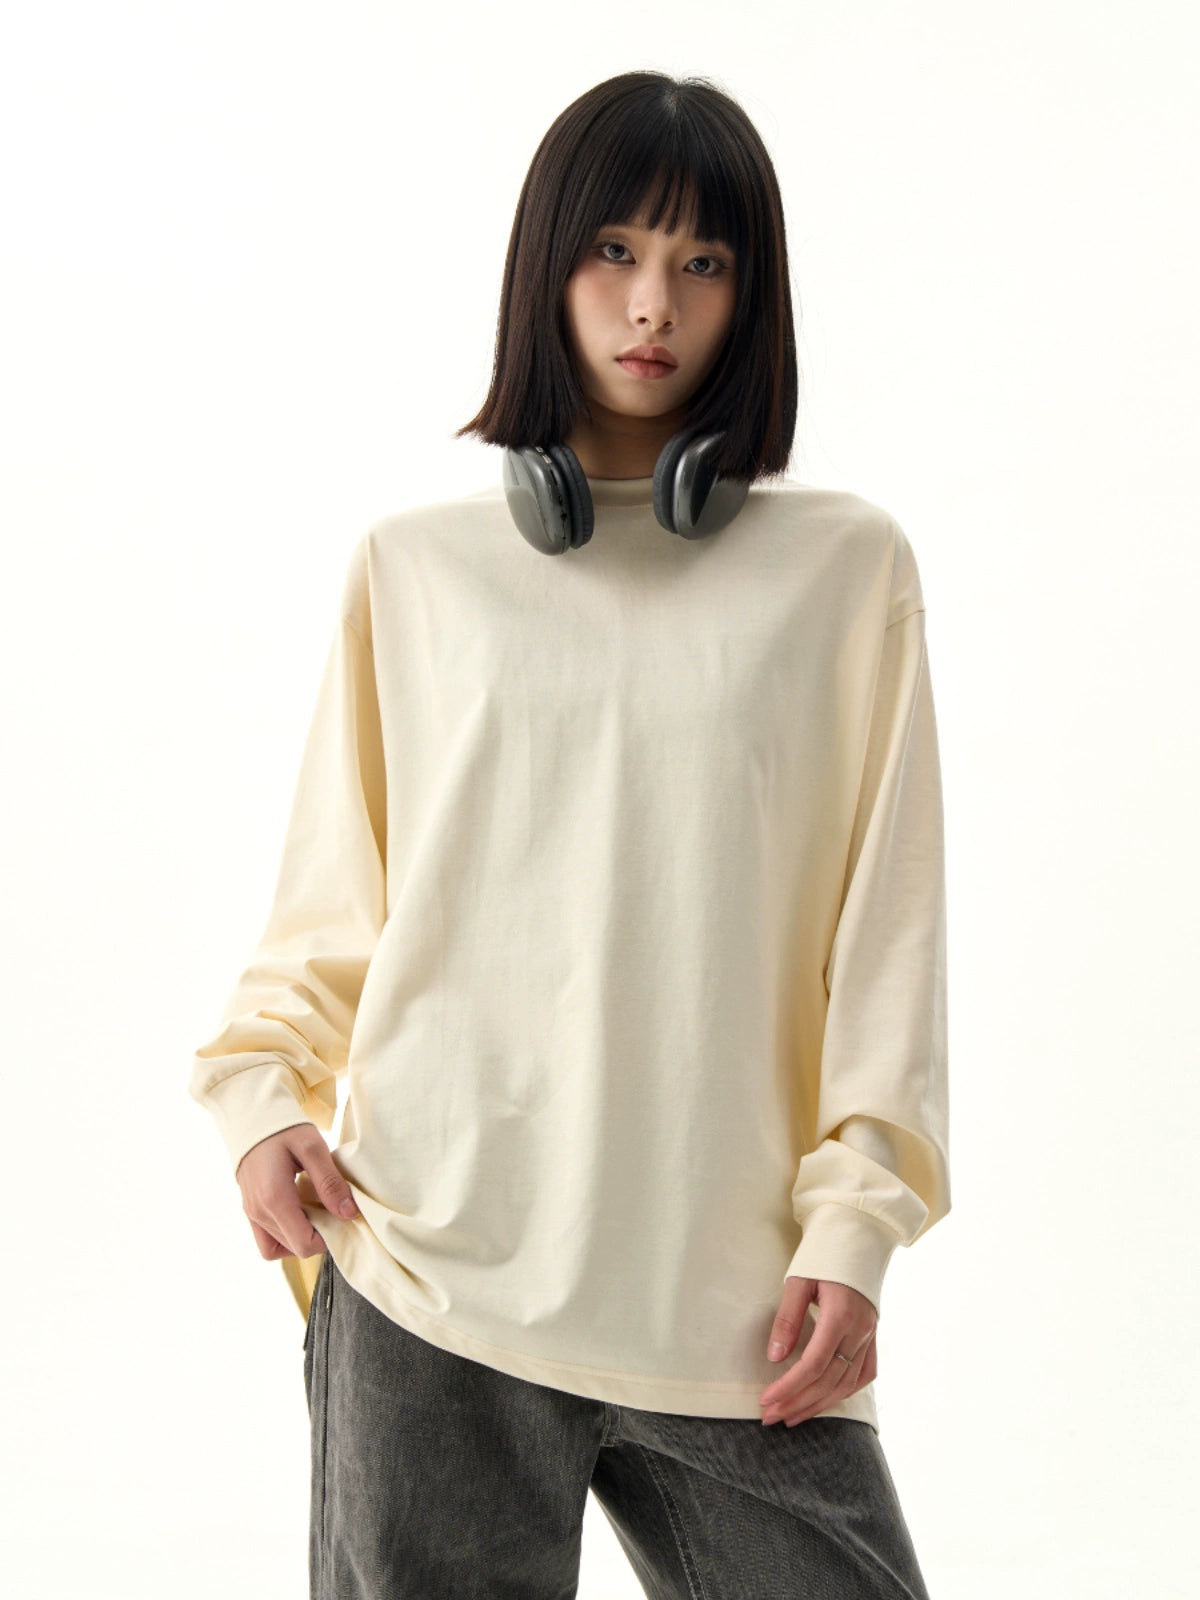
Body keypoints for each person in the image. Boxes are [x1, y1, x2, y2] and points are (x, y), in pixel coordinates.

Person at [190, 70, 949, 1600]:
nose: (653, 303)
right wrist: (261, 1098)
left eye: (702, 261)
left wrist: (856, 1227)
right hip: (431, 1282)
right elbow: (334, 910)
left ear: (752, 295)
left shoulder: (843, 571)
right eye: (613, 251)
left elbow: (889, 942)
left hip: (737, 1307)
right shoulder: (417, 571)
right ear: (548, 266)